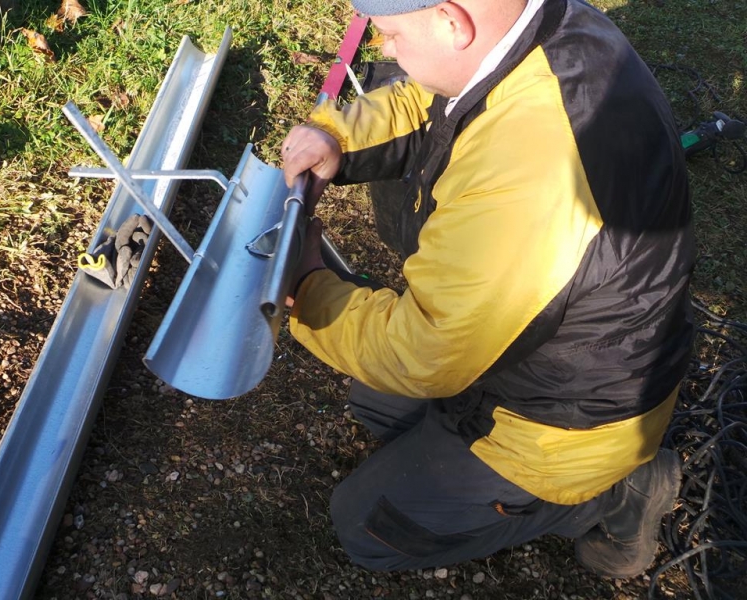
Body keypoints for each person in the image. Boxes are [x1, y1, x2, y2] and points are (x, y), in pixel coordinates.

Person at [280, 0, 695, 579]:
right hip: (536, 351)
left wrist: (304, 285)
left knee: (363, 525)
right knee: (373, 400)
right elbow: (433, 101)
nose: (385, 50)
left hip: (564, 423)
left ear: (453, 22)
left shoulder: (530, 172)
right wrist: (338, 138)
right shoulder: (540, 27)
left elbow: (423, 354)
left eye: (390, 35)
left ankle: (614, 495)